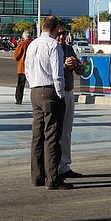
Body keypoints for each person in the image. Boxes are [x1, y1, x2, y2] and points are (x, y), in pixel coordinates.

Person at [25, 15, 70, 189]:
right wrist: (60, 94)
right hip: (49, 90)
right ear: (57, 28)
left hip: (35, 90)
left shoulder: (33, 44)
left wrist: (33, 84)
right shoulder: (53, 45)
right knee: (52, 135)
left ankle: (37, 176)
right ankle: (52, 178)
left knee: (37, 135)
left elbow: (27, 69)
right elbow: (57, 74)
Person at [56, 27, 84, 179]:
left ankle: (64, 165)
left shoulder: (68, 49)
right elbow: (49, 70)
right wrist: (64, 66)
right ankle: (53, 166)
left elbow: (81, 70)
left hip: (68, 91)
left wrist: (76, 65)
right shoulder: (50, 48)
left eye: (64, 34)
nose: (61, 37)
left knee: (66, 130)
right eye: (59, 33)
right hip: (54, 93)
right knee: (54, 131)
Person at [12, 30, 31, 105]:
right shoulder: (33, 43)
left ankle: (19, 100)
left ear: (23, 37)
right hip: (32, 67)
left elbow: (16, 56)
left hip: (23, 67)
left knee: (20, 84)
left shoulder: (22, 44)